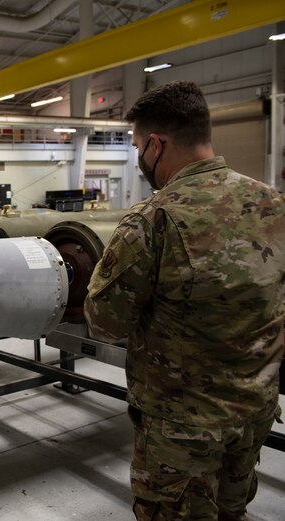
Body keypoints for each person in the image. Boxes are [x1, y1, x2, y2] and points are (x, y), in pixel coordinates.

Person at [84, 80, 284, 521]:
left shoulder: (153, 219)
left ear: (156, 145)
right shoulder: (273, 203)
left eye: (138, 147)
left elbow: (104, 323)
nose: (139, 158)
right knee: (232, 510)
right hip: (255, 411)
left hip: (181, 429)